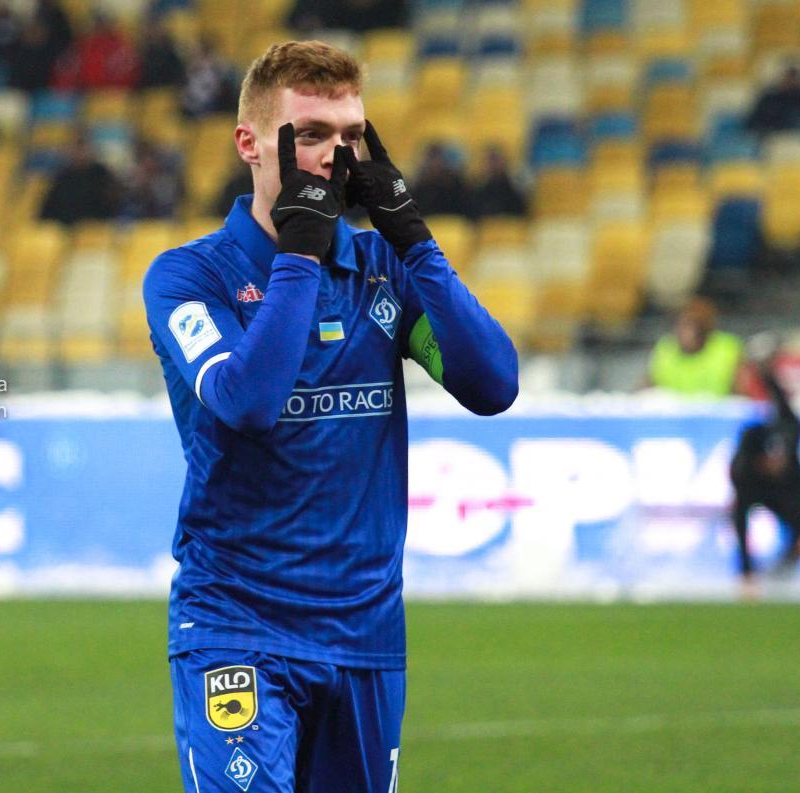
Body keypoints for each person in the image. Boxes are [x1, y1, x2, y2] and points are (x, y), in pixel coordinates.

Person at [142, 40, 518, 792]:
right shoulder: (189, 276)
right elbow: (248, 401)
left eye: (350, 136)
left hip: (365, 633)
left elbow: (492, 385)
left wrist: (415, 241)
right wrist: (300, 257)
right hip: (237, 625)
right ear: (250, 144)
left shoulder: (384, 269)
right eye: (310, 134)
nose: (334, 156)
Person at [730, 355, 800, 585]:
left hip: (780, 494)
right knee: (739, 516)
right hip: (755, 489)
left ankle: (781, 577)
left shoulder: (790, 450)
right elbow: (740, 518)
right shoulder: (745, 466)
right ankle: (754, 575)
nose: (775, 463)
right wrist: (745, 569)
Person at [645, 297, 744, 396]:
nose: (687, 333)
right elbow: (646, 390)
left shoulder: (727, 349)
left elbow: (743, 394)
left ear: (707, 328)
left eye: (694, 326)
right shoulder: (665, 349)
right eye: (681, 325)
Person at [38, 135, 121, 225]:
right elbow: (49, 212)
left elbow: (113, 206)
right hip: (68, 227)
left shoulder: (101, 174)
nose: (80, 154)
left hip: (97, 226)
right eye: (76, 150)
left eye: (83, 149)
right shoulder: (62, 177)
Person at [53, 13, 140, 91]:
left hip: (111, 95)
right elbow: (63, 77)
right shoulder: (80, 47)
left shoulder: (120, 48)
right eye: (96, 23)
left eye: (101, 23)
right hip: (82, 96)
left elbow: (129, 79)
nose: (98, 27)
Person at [745, 65, 800, 136]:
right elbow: (754, 123)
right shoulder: (770, 100)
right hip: (773, 137)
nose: (791, 83)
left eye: (795, 80)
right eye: (789, 79)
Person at [180, 35, 237, 118]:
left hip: (214, 106)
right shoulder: (190, 72)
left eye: (199, 53)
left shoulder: (220, 69)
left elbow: (226, 87)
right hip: (194, 107)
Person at [412, 141, 472, 217]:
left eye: (438, 159)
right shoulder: (420, 188)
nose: (435, 164)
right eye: (432, 159)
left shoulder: (457, 186)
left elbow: (467, 209)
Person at [471, 144, 528, 219]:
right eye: (489, 160)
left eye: (495, 160)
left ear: (504, 161)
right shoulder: (478, 191)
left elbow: (520, 212)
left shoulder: (514, 189)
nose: (492, 164)